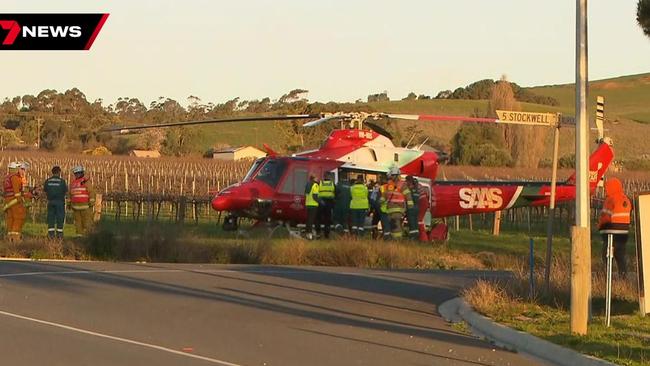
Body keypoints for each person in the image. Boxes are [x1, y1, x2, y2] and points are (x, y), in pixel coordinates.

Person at [598, 177, 632, 276]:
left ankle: (607, 276)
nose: (605, 191)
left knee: (606, 255)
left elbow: (605, 217)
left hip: (611, 232)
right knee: (620, 255)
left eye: (606, 188)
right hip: (624, 233)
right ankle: (623, 276)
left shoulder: (610, 200)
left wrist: (600, 228)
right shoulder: (626, 200)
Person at [380, 166, 413, 239]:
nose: (392, 177)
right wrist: (381, 201)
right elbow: (385, 195)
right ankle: (395, 240)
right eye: (391, 175)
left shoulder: (402, 185)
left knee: (396, 226)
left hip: (398, 209)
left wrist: (410, 206)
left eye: (393, 175)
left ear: (397, 175)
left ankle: (397, 241)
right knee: (393, 226)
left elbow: (408, 196)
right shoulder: (389, 185)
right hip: (390, 210)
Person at [3, 162, 27, 241]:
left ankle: (9, 238)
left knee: (10, 218)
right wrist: (21, 199)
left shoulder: (7, 177)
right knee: (19, 217)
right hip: (14, 200)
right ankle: (15, 238)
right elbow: (17, 192)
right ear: (15, 169)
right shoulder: (15, 178)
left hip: (7, 200)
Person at [43, 166, 68, 240]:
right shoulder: (62, 181)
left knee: (51, 218)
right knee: (60, 218)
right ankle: (59, 234)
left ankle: (51, 234)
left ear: (52, 172)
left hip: (50, 202)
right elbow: (65, 191)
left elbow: (45, 191)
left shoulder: (48, 181)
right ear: (59, 172)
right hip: (60, 202)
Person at [70, 165, 95, 236]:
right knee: (83, 222)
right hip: (83, 206)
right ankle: (84, 236)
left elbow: (70, 194)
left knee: (80, 222)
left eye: (78, 173)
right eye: (76, 173)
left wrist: (69, 204)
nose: (77, 175)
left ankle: (81, 236)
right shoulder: (86, 182)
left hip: (78, 206)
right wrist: (92, 202)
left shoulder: (73, 183)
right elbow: (91, 192)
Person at [318, 172, 336, 239]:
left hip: (321, 202)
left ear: (324, 176)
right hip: (329, 202)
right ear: (329, 177)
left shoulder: (320, 183)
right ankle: (326, 234)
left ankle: (318, 233)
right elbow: (336, 192)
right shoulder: (332, 184)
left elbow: (317, 192)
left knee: (319, 218)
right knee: (327, 219)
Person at [304, 175, 319, 240]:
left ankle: (307, 233)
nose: (317, 179)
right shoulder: (315, 185)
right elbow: (315, 196)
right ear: (314, 179)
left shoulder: (307, 185)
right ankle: (310, 234)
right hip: (313, 204)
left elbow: (305, 194)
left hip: (308, 204)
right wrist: (320, 202)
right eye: (316, 178)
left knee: (308, 220)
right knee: (311, 220)